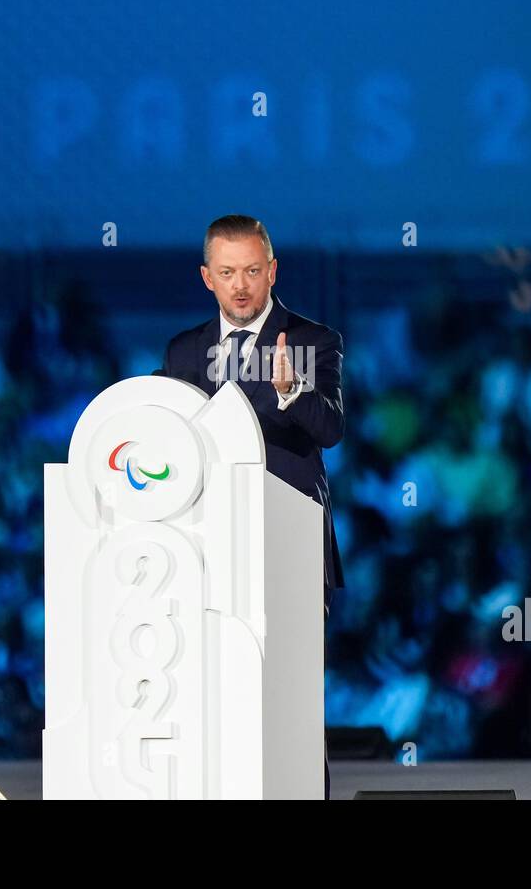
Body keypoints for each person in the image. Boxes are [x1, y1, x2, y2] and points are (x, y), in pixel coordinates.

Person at [155, 214, 344, 798]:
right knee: (213, 698)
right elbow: (168, 440)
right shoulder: (186, 351)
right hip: (208, 552)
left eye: (253, 271)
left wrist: (290, 390)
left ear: (273, 271)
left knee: (291, 701)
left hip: (288, 546)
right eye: (229, 273)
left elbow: (331, 428)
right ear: (206, 277)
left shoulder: (313, 341)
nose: (242, 286)